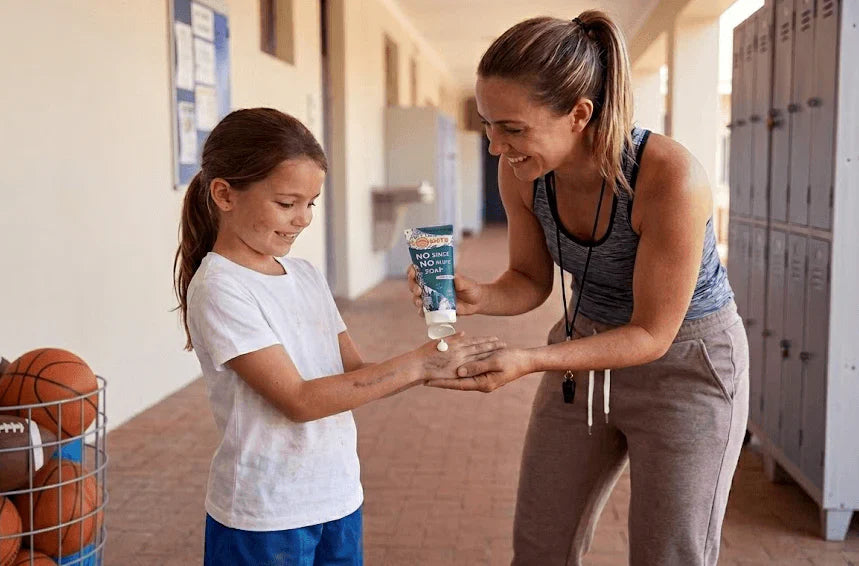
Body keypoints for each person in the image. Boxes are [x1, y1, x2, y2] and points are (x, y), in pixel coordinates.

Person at [408, 11, 748, 566]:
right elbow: (529, 280)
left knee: (670, 554)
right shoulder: (523, 172)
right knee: (541, 545)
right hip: (584, 347)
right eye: (488, 124)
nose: (496, 146)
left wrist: (531, 358)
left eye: (512, 128)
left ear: (579, 114)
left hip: (686, 364)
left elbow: (650, 334)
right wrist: (479, 295)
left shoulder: (668, 177)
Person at [173, 107, 502, 566]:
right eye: (287, 204)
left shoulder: (305, 274)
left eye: (311, 203)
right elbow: (300, 400)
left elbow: (355, 375)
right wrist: (417, 363)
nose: (303, 219)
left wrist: (440, 363)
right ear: (225, 195)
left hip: (337, 494)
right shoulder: (220, 287)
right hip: (266, 513)